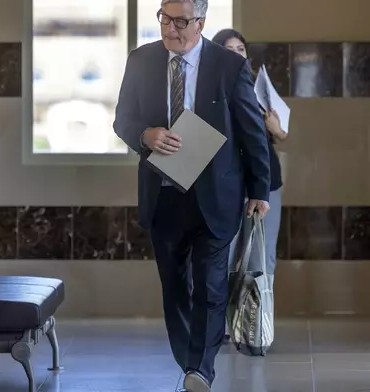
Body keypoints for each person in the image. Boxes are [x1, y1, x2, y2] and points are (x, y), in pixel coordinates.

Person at [113, 0, 271, 391]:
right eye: (165, 19)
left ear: (201, 22)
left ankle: (201, 369)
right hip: (163, 195)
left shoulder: (229, 66)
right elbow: (122, 119)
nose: (171, 29)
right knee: (174, 287)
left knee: (212, 286)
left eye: (181, 22)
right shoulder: (141, 60)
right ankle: (189, 363)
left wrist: (259, 189)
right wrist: (145, 136)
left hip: (216, 196)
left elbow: (252, 131)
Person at [212, 28, 287, 293]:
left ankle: (255, 326)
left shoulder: (260, 86)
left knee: (261, 257)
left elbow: (281, 134)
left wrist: (275, 128)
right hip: (226, 183)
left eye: (240, 50)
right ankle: (217, 328)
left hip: (266, 182)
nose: (235, 55)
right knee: (224, 257)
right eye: (228, 50)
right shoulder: (207, 89)